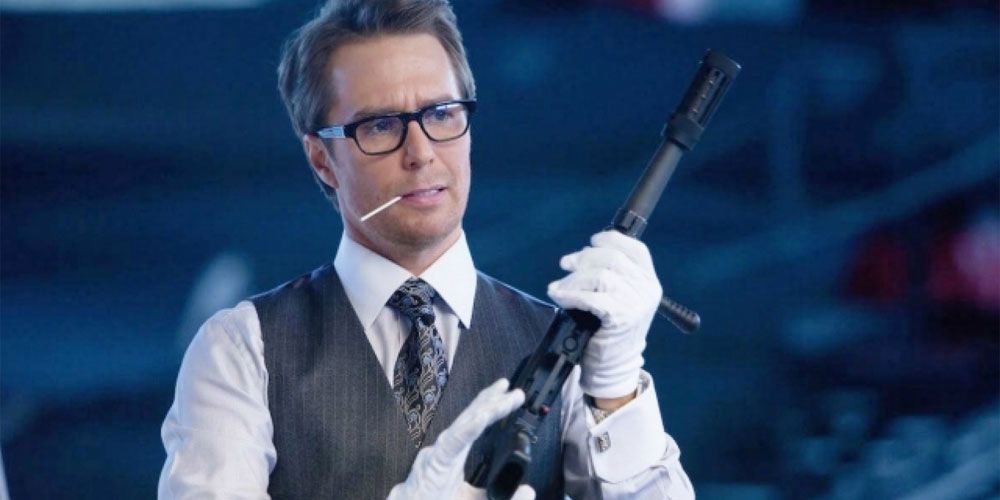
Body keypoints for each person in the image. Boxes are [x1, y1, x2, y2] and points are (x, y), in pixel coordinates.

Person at [158, 0, 694, 498]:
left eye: (441, 114)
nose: (420, 153)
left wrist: (617, 390)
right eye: (380, 125)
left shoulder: (560, 349)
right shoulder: (242, 350)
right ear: (322, 159)